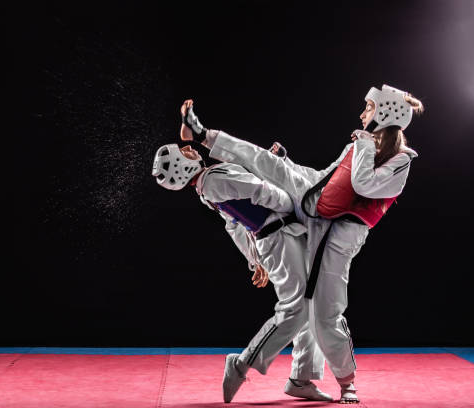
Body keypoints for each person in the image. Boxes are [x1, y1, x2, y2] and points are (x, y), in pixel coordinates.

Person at [179, 84, 424, 404]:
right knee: (266, 160)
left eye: (369, 108)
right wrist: (289, 163)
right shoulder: (360, 144)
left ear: (385, 113)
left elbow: (364, 184)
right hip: (316, 201)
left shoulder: (401, 160)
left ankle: (344, 380)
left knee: (324, 313)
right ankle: (202, 133)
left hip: (340, 235)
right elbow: (329, 177)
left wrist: (363, 145)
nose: (363, 113)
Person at [151, 143, 332, 403]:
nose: (189, 149)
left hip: (277, 236)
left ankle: (301, 378)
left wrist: (254, 259)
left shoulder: (207, 187)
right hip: (279, 236)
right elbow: (263, 192)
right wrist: (298, 207)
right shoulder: (213, 179)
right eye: (183, 151)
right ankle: (241, 364)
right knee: (296, 309)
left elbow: (235, 225)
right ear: (181, 165)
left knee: (309, 303)